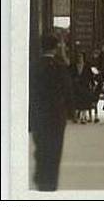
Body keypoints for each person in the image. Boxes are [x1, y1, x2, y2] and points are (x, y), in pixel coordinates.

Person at [30, 34, 73, 191]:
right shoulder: (60, 66)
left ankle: (41, 177)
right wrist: (70, 112)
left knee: (41, 147)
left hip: (39, 114)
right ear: (56, 48)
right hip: (56, 115)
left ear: (41, 47)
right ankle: (50, 181)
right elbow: (68, 90)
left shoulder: (33, 66)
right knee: (54, 148)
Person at [69, 51, 97, 124]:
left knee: (84, 101)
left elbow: (90, 76)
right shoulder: (73, 66)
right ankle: (76, 116)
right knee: (76, 102)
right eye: (78, 56)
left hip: (85, 86)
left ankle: (83, 117)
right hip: (76, 87)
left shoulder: (87, 66)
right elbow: (69, 75)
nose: (79, 58)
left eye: (81, 56)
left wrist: (92, 84)